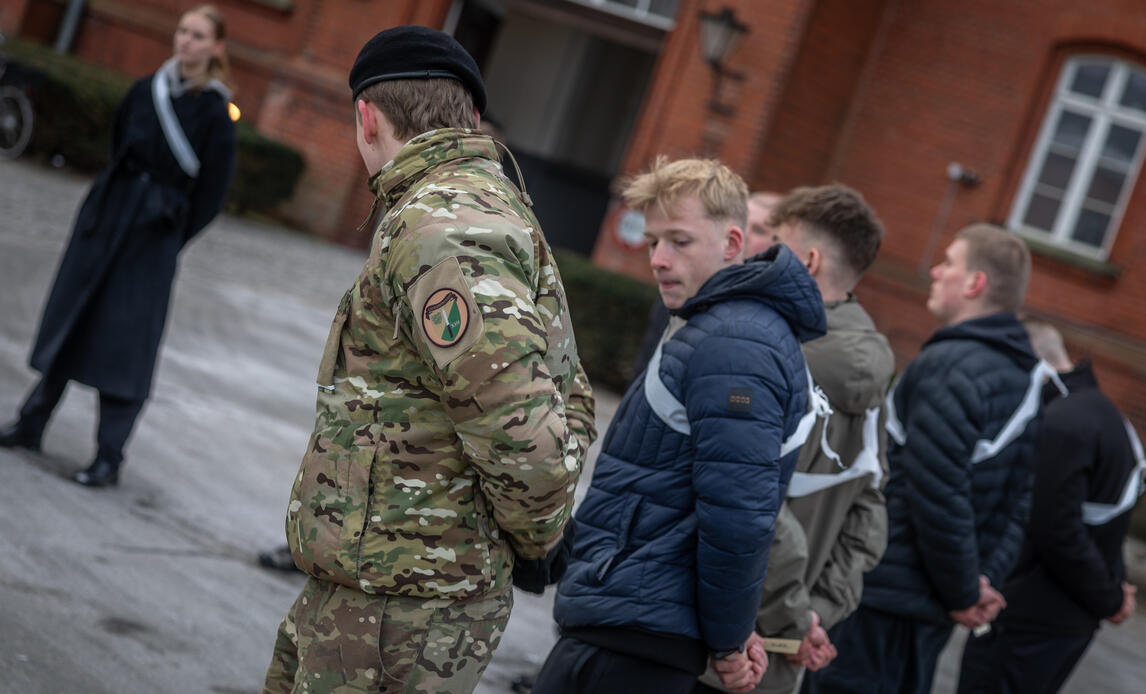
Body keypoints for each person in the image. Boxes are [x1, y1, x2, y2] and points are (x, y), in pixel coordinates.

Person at [260, 25, 596, 694]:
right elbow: (563, 394)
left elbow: (524, 436)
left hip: (403, 606)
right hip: (384, 586)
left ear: (367, 118)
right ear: (469, 116)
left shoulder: (445, 226)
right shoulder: (467, 206)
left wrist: (538, 539)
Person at [532, 157, 827, 694]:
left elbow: (738, 516)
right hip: (630, 625)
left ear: (733, 243)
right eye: (653, 242)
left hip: (637, 643)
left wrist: (729, 641)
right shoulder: (719, 327)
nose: (659, 259)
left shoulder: (735, 343)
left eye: (680, 241)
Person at [0, 5, 237, 487]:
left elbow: (211, 195)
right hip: (109, 214)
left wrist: (170, 234)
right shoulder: (144, 90)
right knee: (74, 317)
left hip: (154, 232)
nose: (185, 41)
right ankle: (32, 422)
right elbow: (118, 147)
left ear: (216, 47)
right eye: (182, 31)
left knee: (127, 341)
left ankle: (109, 455)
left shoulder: (216, 113)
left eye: (197, 35)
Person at [807, 224, 1043, 694]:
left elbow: (936, 492)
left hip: (884, 601)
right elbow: (1018, 502)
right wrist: (980, 582)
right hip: (930, 604)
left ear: (975, 283)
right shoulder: (1027, 376)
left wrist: (965, 592)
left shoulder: (949, 366)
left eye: (949, 262)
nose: (935, 271)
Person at [695, 184, 893, 694]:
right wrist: (817, 614)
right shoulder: (877, 378)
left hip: (713, 639)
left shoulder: (766, 353)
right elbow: (869, 515)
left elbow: (750, 502)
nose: (760, 253)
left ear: (807, 260)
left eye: (776, 243)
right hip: (781, 661)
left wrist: (796, 618)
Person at [956, 320, 1142, 694]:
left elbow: (1056, 528)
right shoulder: (1104, 414)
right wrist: (1111, 592)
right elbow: (1106, 525)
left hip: (1031, 618)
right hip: (1065, 618)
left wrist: (1109, 598)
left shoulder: (1062, 423)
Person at [633, 190, 780, 375]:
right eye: (743, 224)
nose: (746, 234)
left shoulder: (765, 316)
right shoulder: (683, 284)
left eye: (759, 230)